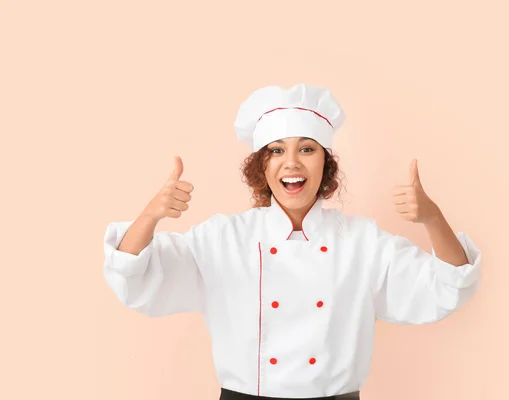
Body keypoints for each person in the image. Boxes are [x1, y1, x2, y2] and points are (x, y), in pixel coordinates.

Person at [103, 83, 482, 400]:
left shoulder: (363, 243)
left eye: (306, 148)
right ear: (261, 167)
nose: (291, 163)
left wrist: (432, 218)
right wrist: (150, 215)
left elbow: (449, 285)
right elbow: (135, 278)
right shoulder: (222, 239)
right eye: (276, 150)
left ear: (325, 163)